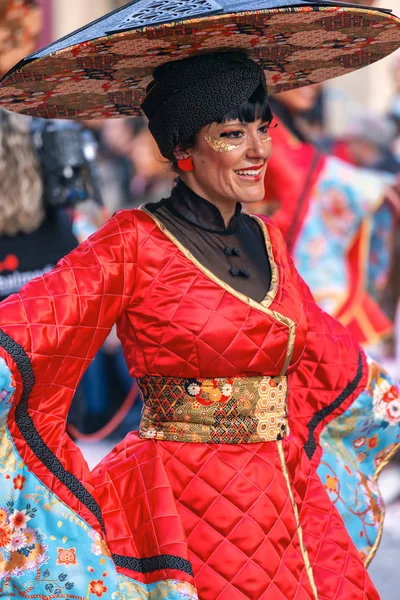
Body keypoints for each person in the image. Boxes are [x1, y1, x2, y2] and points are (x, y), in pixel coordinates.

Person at [0, 2, 399, 599]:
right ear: (183, 148)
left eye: (263, 128)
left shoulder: (268, 239)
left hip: (287, 499)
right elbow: (29, 332)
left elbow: (323, 348)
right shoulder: (130, 241)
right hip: (177, 507)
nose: (259, 150)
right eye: (233, 134)